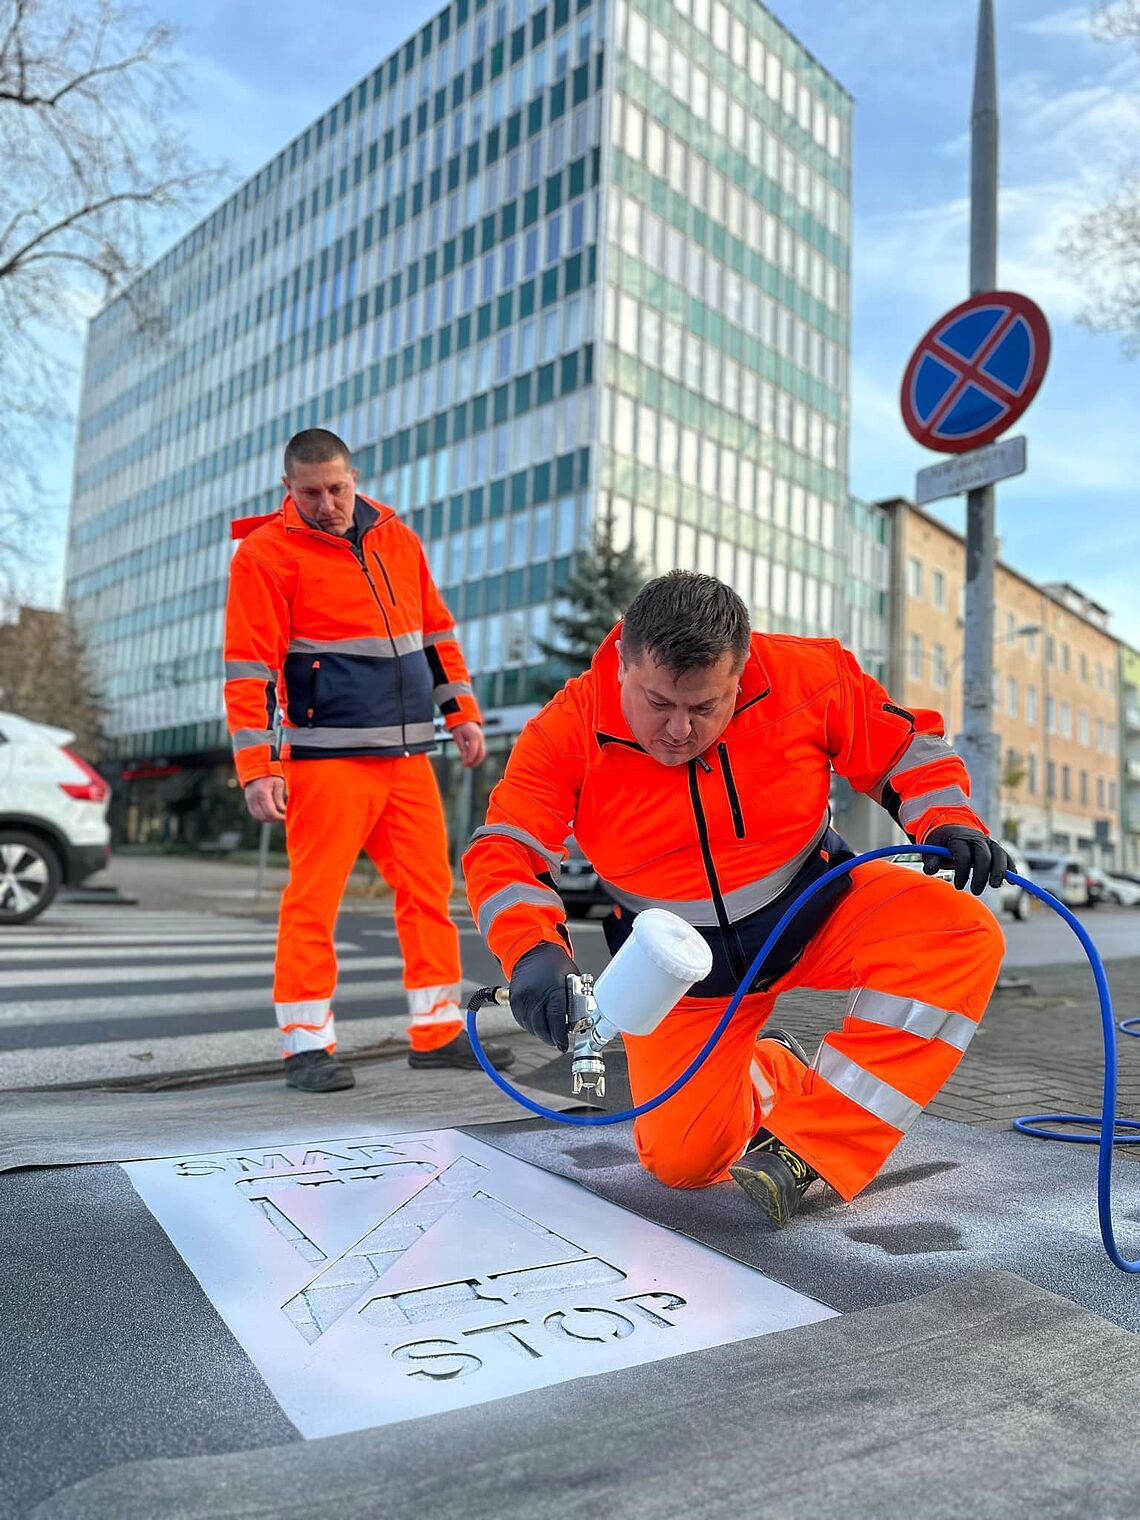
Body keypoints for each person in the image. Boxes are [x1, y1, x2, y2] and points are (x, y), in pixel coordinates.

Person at [464, 570, 1006, 1227]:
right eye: (659, 703)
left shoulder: (807, 675)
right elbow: (506, 847)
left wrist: (945, 816)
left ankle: (815, 1142)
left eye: (706, 706)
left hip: (816, 907)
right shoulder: (567, 729)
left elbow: (902, 747)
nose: (679, 731)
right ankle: (772, 1067)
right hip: (685, 973)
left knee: (959, 934)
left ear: (742, 671)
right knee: (684, 1165)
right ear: (622, 667)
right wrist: (534, 953)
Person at [223, 428, 514, 1092]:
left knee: (430, 896)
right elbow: (248, 670)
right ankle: (305, 1046)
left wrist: (462, 714)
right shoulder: (265, 554)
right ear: (286, 489)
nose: (326, 503)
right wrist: (257, 767)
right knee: (313, 902)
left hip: (408, 756)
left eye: (337, 488)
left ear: (354, 477)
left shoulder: (396, 537)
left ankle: (438, 1032)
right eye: (310, 492)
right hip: (327, 759)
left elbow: (436, 631)